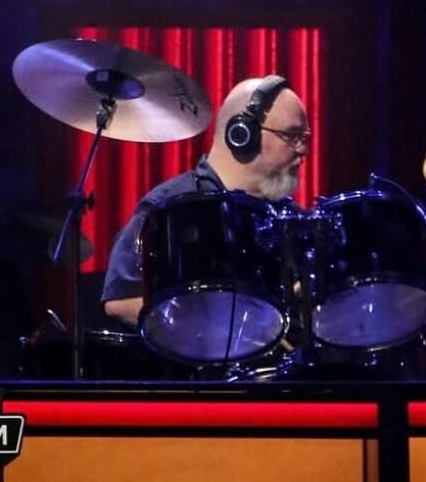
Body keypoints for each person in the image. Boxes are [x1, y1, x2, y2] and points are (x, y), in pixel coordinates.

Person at [102, 74, 311, 326]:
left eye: (304, 138)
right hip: (191, 351)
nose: (303, 149)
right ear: (242, 134)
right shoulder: (172, 205)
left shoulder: (288, 215)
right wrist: (215, 329)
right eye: (292, 136)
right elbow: (121, 300)